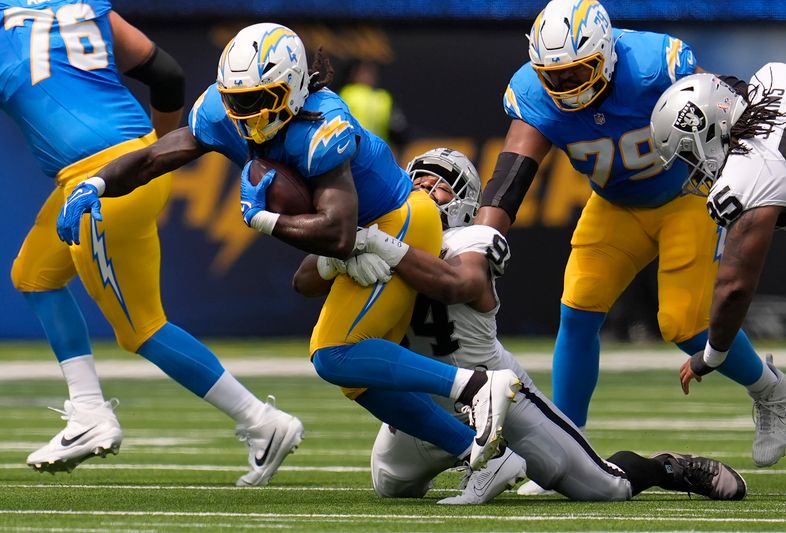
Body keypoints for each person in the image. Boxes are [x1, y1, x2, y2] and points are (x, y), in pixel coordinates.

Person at [56, 22, 522, 471]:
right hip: (353, 230)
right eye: (239, 100)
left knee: (335, 354)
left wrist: (263, 218)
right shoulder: (222, 111)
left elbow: (338, 232)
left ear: (294, 86)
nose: (249, 113)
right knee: (357, 378)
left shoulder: (323, 124)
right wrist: (96, 182)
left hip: (396, 220)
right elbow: (155, 157)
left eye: (261, 99)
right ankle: (478, 455)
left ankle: (476, 385)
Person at [295, 147, 748, 504]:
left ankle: (667, 468)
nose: (425, 193)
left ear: (467, 201)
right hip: (427, 404)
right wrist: (341, 255)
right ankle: (472, 456)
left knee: (604, 489)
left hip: (500, 396)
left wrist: (386, 247)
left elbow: (461, 283)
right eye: (417, 183)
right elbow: (304, 281)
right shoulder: (385, 232)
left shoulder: (468, 238)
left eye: (439, 187)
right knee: (390, 484)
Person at [473, 0, 786, 469]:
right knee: (578, 310)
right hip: (615, 203)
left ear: (606, 53)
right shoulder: (533, 92)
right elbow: (512, 175)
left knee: (684, 326)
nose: (564, 86)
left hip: (685, 196)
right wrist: (481, 239)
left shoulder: (652, 62)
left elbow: (720, 106)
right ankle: (566, 450)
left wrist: (742, 181)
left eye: (576, 72)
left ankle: (769, 387)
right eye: (553, 76)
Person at [2, 1, 302, 486]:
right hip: (135, 159)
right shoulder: (82, 8)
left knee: (141, 328)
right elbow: (166, 73)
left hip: (95, 182)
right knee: (34, 276)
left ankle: (261, 421)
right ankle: (86, 410)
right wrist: (161, 156)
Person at [650, 67, 786, 466]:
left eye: (688, 153)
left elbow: (734, 287)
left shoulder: (747, 176)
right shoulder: (774, 76)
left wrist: (711, 356)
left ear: (707, 131)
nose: (693, 167)